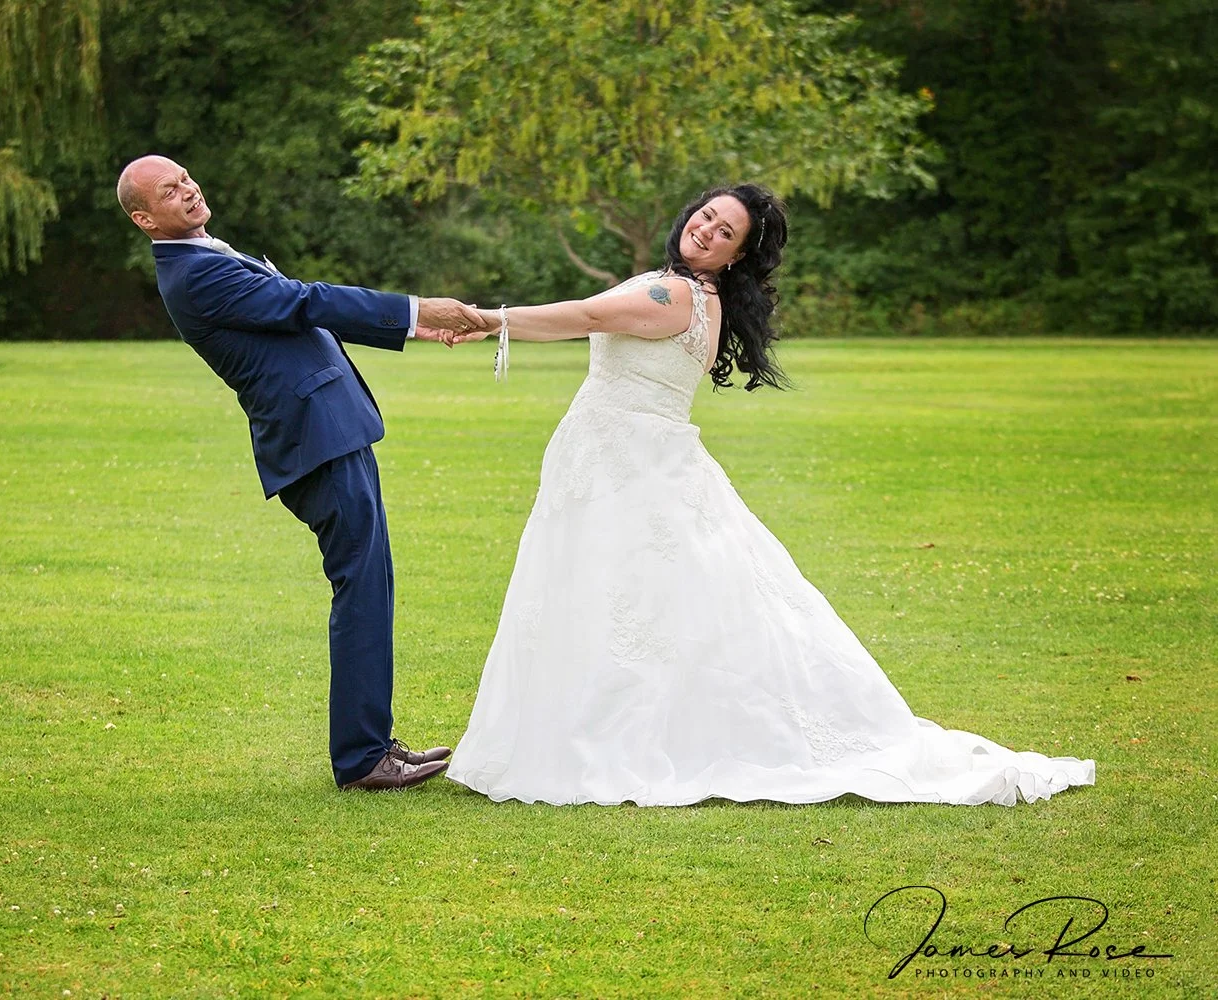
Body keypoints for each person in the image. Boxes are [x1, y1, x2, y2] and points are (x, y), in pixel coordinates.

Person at [443, 184, 1096, 806]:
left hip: (624, 462)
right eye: (705, 216)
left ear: (736, 255)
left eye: (724, 231)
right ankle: (608, 724)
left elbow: (586, 316)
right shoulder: (707, 303)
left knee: (611, 596)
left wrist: (488, 318)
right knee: (641, 604)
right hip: (637, 460)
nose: (705, 230)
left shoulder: (671, 294)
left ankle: (600, 739)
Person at [117, 154, 480, 791]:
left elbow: (300, 312)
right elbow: (304, 303)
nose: (188, 189)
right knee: (361, 585)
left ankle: (373, 746)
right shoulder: (193, 275)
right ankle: (365, 757)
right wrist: (420, 313)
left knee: (372, 581)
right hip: (315, 439)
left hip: (331, 430)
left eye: (186, 178)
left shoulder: (204, 254)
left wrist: (415, 328)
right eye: (170, 191)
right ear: (146, 219)